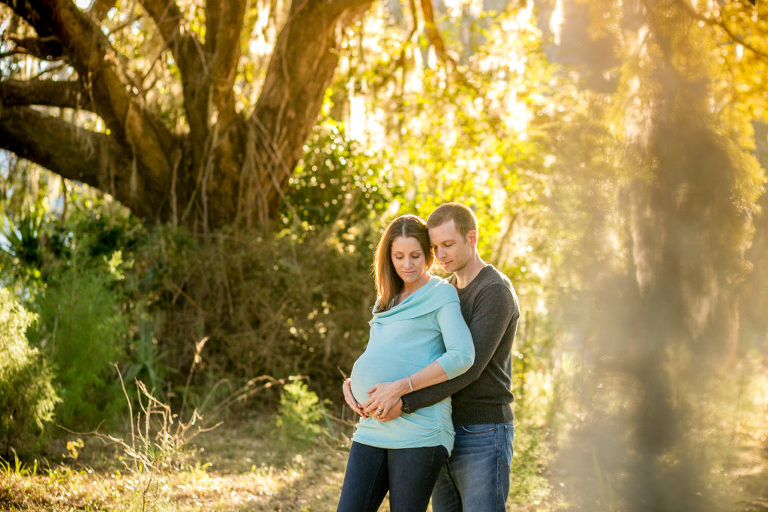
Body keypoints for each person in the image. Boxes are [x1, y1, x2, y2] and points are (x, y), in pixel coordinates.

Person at [344, 202, 520, 511]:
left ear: (472, 238)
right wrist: (358, 382)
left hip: (481, 429)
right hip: (444, 420)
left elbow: (470, 367)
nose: (442, 254)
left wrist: (405, 399)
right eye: (436, 246)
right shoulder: (446, 288)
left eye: (448, 244)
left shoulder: (493, 290)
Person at [337, 214, 475, 512]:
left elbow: (462, 355)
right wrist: (352, 385)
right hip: (372, 424)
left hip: (420, 430)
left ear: (428, 254)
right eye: (398, 256)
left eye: (415, 255)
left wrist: (401, 387)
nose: (407, 264)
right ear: (388, 256)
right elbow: (382, 352)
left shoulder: (441, 294)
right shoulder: (386, 299)